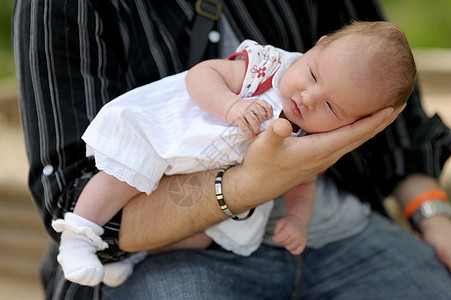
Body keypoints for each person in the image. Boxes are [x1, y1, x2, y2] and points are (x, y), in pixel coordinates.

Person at [13, 0, 451, 299]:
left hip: (337, 230)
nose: (310, 100)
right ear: (313, 51)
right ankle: (94, 252)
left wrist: (432, 215)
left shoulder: (342, 77)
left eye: (332, 106)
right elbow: (69, 190)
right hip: (179, 242)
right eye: (314, 77)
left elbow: (394, 117)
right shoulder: (266, 69)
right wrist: (246, 182)